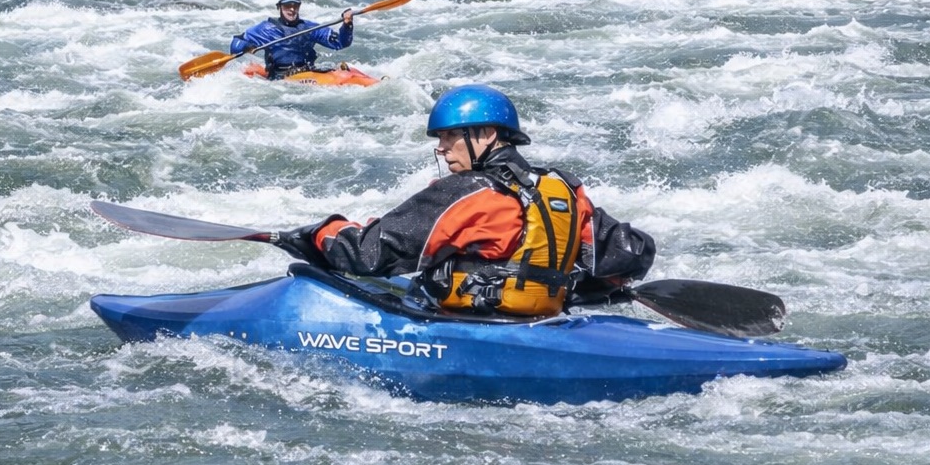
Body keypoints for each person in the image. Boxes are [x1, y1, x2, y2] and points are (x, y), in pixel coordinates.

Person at [269, 84, 656, 317]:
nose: (441, 148)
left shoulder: (470, 193)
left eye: (450, 136)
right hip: (540, 322)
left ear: (486, 134)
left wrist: (319, 233)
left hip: (473, 326)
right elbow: (630, 253)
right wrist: (587, 286)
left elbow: (366, 255)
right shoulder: (562, 189)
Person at [230, 0, 354, 79]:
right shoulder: (266, 29)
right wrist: (246, 47)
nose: (292, 9)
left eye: (295, 5)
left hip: (308, 73)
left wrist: (347, 25)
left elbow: (341, 43)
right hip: (280, 78)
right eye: (287, 5)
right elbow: (236, 43)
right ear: (279, 7)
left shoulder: (309, 28)